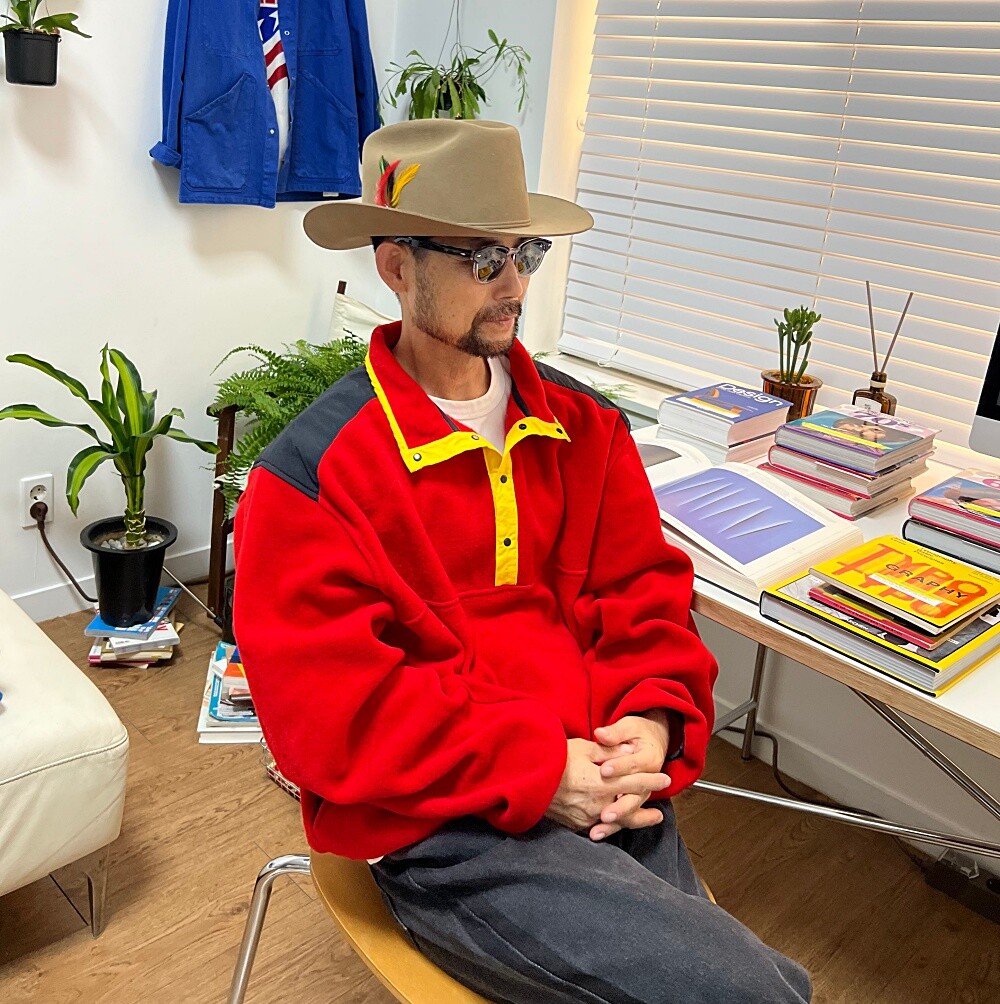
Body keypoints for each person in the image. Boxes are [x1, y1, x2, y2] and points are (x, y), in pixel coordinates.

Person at [233, 118, 813, 1004]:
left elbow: (644, 597)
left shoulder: (587, 428)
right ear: (397, 267)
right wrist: (539, 772)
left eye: (525, 253)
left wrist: (651, 719)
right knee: (759, 995)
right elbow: (333, 717)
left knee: (752, 989)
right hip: (443, 821)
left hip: (601, 775)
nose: (514, 285)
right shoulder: (312, 478)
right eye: (481, 259)